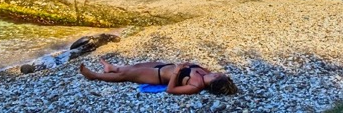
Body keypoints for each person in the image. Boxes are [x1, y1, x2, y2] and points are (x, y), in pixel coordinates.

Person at [80, 59, 237, 96]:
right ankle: (111, 68)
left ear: (211, 84)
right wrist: (186, 64)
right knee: (136, 66)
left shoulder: (195, 86)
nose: (215, 73)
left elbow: (171, 90)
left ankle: (94, 75)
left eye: (216, 77)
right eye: (218, 74)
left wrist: (177, 71)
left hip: (159, 76)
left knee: (126, 76)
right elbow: (191, 66)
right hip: (164, 65)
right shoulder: (206, 72)